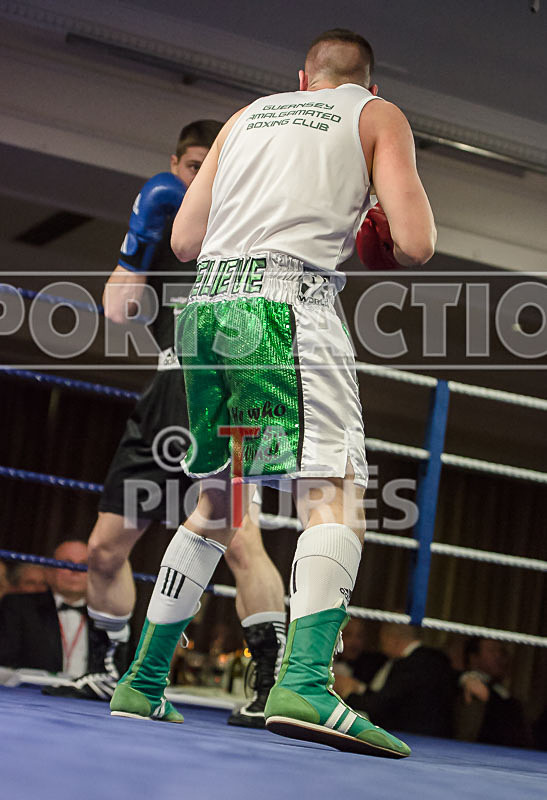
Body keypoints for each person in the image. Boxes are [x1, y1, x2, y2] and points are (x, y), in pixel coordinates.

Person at [110, 28, 435, 759]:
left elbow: (184, 242)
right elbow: (415, 244)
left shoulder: (244, 116)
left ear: (301, 77)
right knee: (336, 490)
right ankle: (307, 684)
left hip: (206, 310)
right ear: (369, 84)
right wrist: (375, 219)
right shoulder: (375, 115)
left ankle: (143, 679)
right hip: (287, 306)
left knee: (217, 503)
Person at [70, 121, 286, 726]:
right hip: (166, 390)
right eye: (193, 167)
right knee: (104, 548)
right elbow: (117, 311)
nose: (200, 180)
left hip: (228, 387)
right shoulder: (168, 231)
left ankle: (271, 682)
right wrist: (139, 238)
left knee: (240, 540)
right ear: (175, 166)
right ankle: (109, 666)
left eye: (212, 167)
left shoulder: (250, 224)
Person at [0, 541, 109, 677]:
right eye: (67, 563)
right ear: (49, 571)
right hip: (33, 689)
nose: (75, 571)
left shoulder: (107, 616)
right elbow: (5, 661)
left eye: (84, 565)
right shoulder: (19, 606)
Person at [336, 621, 456, 737]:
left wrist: (346, 694)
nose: (382, 645)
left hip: (418, 738)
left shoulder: (410, 664)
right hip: (437, 737)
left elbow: (381, 705)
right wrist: (359, 688)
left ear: (392, 638)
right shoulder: (434, 657)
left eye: (382, 639)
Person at [454, 637, 533, 748]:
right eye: (492, 650)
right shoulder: (466, 684)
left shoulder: (502, 693)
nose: (499, 656)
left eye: (501, 651)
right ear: (474, 658)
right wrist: (466, 678)